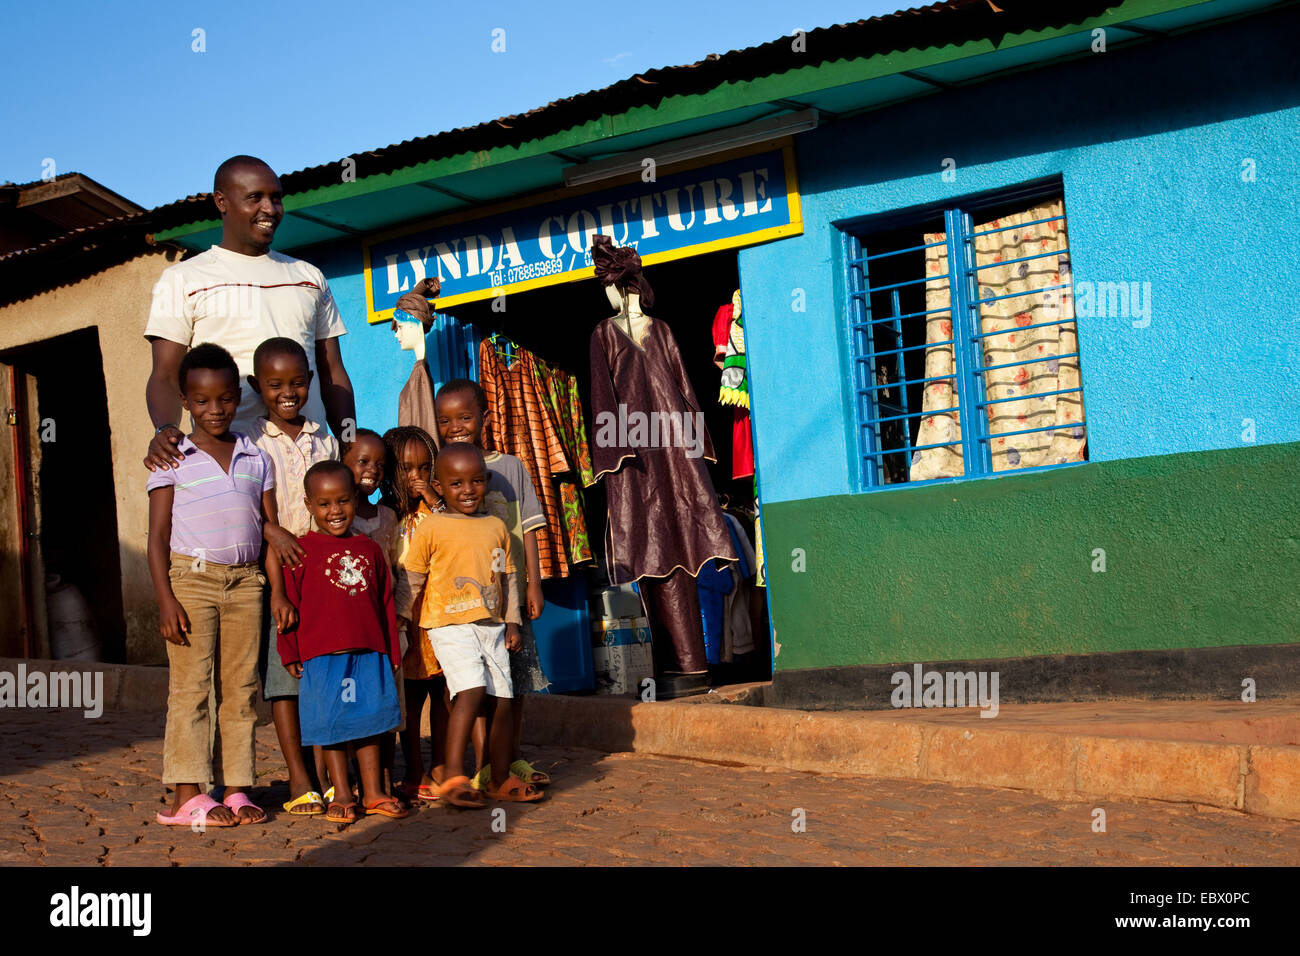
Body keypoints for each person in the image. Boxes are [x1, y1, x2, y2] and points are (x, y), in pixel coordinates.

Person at [143, 154, 355, 473]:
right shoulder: (183, 280)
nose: (269, 209)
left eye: (276, 198)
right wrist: (164, 429)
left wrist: (348, 443)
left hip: (313, 466)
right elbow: (165, 375)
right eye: (255, 197)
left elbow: (332, 372)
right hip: (234, 467)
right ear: (221, 201)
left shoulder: (309, 277)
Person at [148, 344, 277, 828]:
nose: (215, 409)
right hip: (190, 582)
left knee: (241, 688)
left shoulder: (255, 456)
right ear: (185, 400)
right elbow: (157, 536)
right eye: (202, 401)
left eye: (224, 398)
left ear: (237, 397)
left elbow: (266, 525)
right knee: (191, 687)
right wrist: (164, 598)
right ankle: (187, 793)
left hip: (247, 584)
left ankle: (237, 787)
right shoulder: (171, 457)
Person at [400, 442, 542, 806]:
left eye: (476, 481)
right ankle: (452, 777)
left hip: (491, 627)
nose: (467, 490)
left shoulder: (496, 527)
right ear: (440, 484)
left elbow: (509, 578)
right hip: (448, 626)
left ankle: (498, 778)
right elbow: (412, 578)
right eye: (457, 483)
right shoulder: (433, 526)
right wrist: (400, 621)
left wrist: (512, 624)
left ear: (487, 480)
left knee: (504, 699)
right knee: (471, 691)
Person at [435, 379, 552, 790]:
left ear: (484, 418)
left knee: (512, 683)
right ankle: (485, 764)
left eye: (465, 417)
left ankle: (511, 758)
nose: (455, 427)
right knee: (476, 685)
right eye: (445, 420)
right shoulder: (444, 473)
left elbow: (532, 529)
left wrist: (533, 585)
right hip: (467, 603)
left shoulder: (511, 468)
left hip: (510, 597)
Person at [278, 460, 406, 823]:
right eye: (324, 504)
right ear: (309, 506)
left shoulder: (368, 549)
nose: (335, 511)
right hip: (322, 656)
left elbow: (384, 602)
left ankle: (374, 793)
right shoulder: (299, 553)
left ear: (354, 499)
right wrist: (289, 649)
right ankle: (343, 793)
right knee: (331, 725)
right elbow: (289, 605)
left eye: (343, 501)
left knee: (371, 722)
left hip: (369, 652)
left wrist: (390, 649)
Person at [247, 336, 339, 815]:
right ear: (256, 386)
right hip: (277, 574)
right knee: (286, 679)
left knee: (320, 675)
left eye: (298, 382)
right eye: (275, 384)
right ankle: (299, 779)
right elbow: (248, 514)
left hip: (321, 575)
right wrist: (274, 534)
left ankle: (329, 776)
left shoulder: (324, 437)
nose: (289, 392)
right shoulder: (251, 445)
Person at [380, 425, 446, 803]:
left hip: (439, 612)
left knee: (443, 690)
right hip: (406, 616)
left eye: (424, 467)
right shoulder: (388, 516)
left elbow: (457, 531)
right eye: (406, 469)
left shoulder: (439, 510)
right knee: (410, 694)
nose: (417, 477)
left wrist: (436, 501)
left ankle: (440, 768)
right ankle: (413, 770)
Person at [342, 428, 403, 801]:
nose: (372, 470)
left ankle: (383, 779)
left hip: (385, 623)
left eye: (380, 464)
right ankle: (346, 781)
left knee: (385, 701)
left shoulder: (388, 518)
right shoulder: (335, 517)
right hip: (349, 629)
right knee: (349, 703)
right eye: (363, 461)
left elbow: (397, 569)